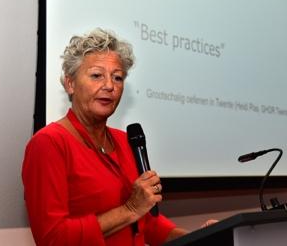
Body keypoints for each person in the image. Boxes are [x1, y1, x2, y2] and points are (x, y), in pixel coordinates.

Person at [22, 28, 215, 245]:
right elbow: (52, 238)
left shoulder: (126, 141)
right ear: (70, 83)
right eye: (96, 75)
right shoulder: (49, 143)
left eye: (117, 77)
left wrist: (204, 239)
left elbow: (147, 225)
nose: (109, 86)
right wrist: (130, 209)